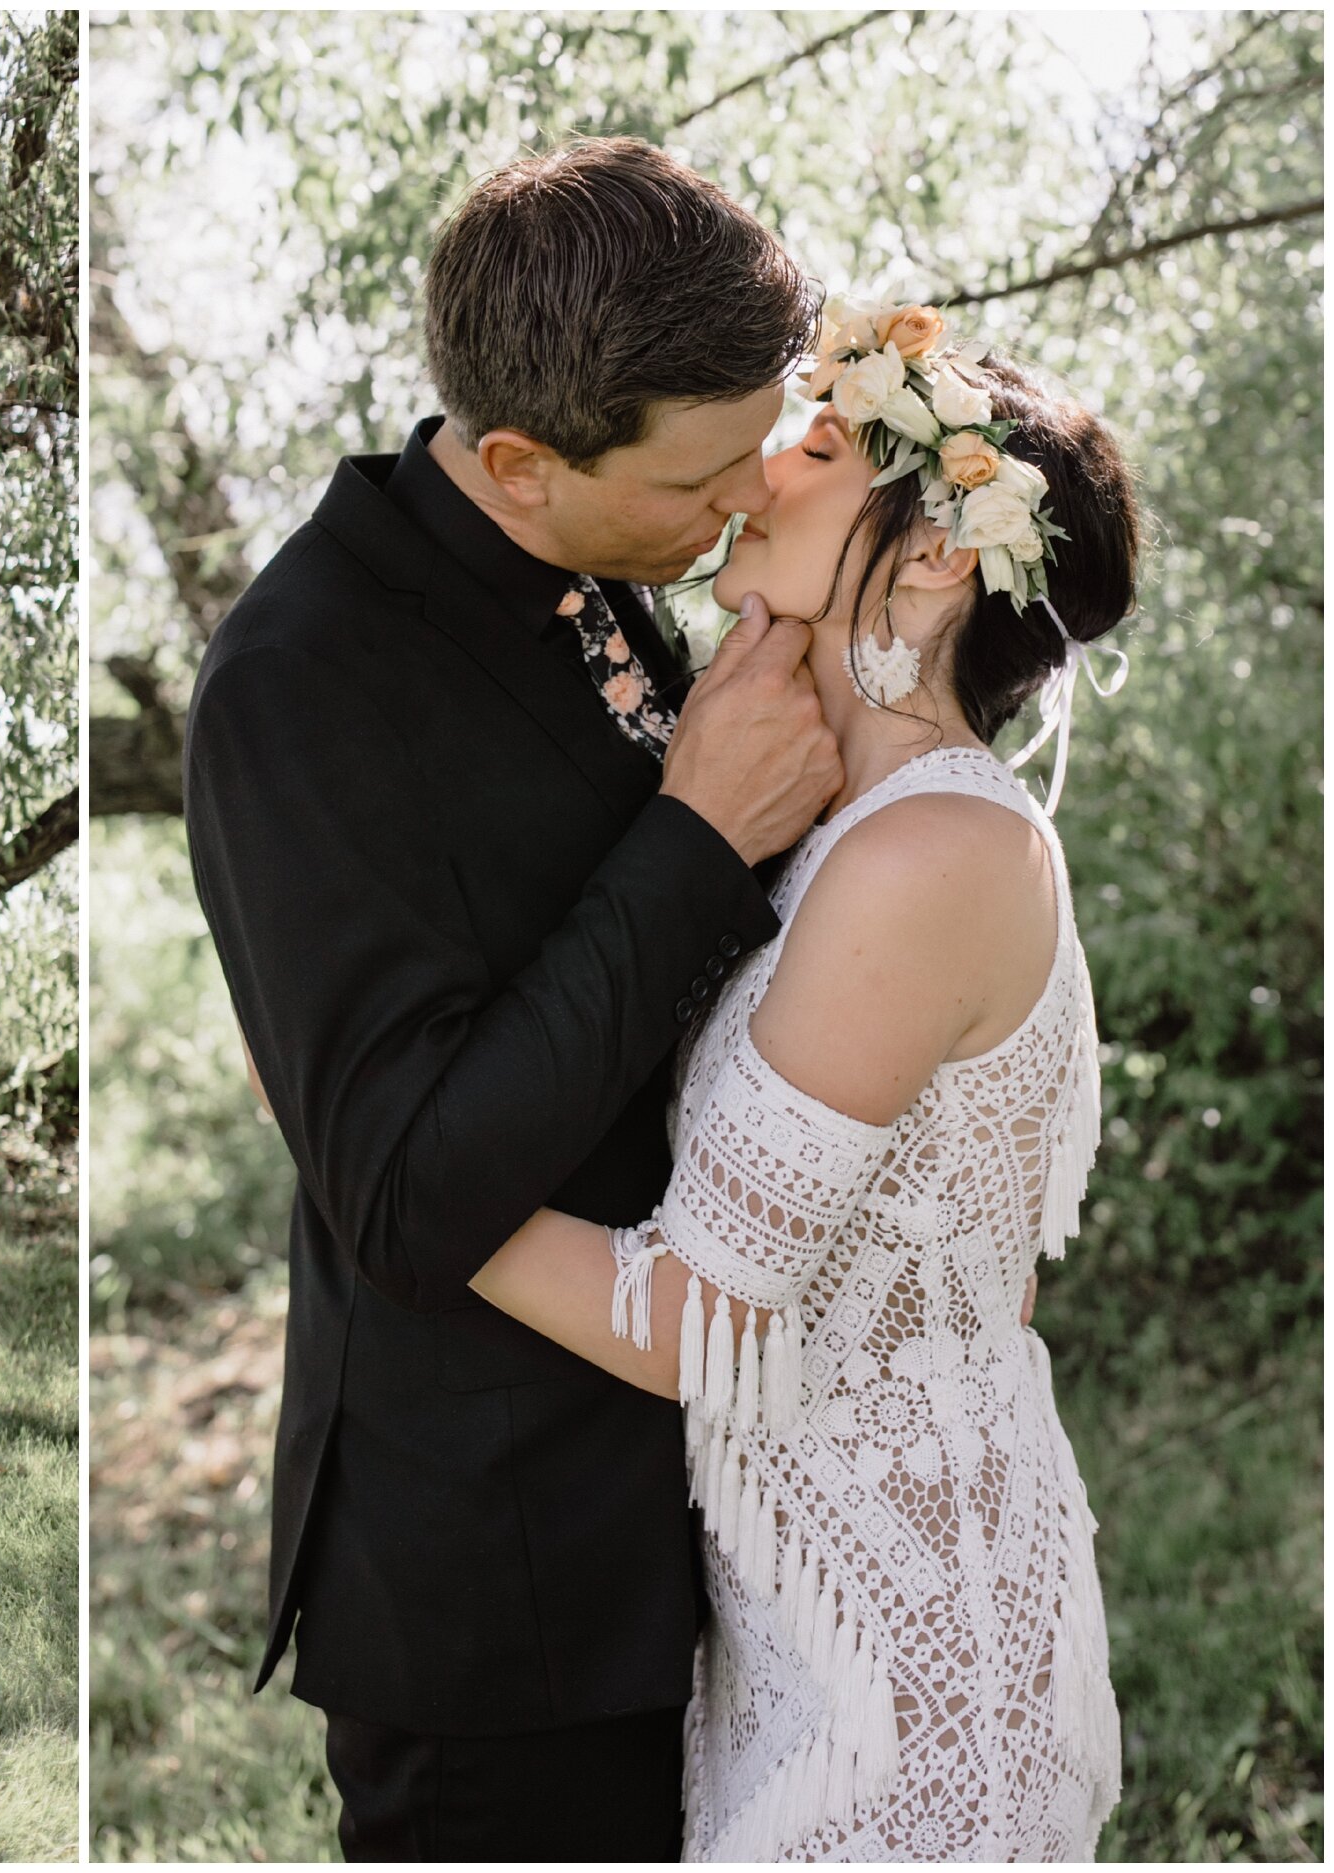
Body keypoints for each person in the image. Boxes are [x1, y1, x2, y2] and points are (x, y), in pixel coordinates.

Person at [181, 137, 841, 1859]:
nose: (752, 497)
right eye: (709, 475)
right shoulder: (296, 685)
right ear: (519, 463)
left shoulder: (600, 553)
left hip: (686, 1503)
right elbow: (399, 1186)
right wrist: (702, 832)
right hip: (503, 1586)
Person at [469, 307, 1139, 1858]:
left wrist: (384, 1164)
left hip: (923, 1663)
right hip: (815, 1624)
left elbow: (699, 1311)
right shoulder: (840, 831)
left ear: (937, 558)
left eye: (822, 447)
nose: (760, 472)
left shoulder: (932, 853)